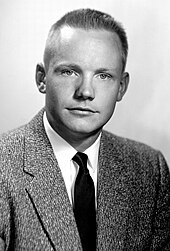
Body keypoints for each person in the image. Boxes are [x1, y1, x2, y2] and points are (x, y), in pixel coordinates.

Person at [0, 8, 170, 251]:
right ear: (42, 78)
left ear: (121, 87)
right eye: (69, 72)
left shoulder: (150, 169)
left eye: (103, 75)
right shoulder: (3, 164)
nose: (86, 92)